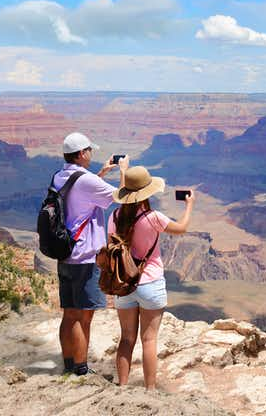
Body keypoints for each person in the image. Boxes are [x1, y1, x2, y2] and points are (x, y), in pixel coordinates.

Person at [108, 166, 195, 390]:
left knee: (126, 339)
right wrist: (189, 205)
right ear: (147, 192)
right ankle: (150, 392)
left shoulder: (115, 216)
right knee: (149, 340)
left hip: (124, 285)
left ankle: (123, 387)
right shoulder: (153, 217)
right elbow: (182, 228)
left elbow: (111, 244)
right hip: (150, 283)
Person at [54, 132, 125, 376]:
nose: (91, 155)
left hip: (65, 255)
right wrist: (123, 170)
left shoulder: (60, 176)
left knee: (69, 313)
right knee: (83, 317)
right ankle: (81, 370)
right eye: (89, 151)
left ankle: (67, 363)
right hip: (85, 256)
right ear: (82, 153)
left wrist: (102, 173)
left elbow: (80, 194)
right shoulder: (85, 180)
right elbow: (122, 196)